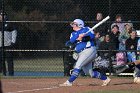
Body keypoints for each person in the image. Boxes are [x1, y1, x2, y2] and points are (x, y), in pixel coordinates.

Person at [59, 19, 111, 87]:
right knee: (90, 73)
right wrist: (79, 37)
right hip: (81, 53)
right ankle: (106, 79)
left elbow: (92, 37)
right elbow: (71, 41)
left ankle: (69, 82)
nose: (73, 25)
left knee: (78, 65)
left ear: (79, 25)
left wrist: (84, 38)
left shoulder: (87, 29)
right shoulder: (73, 34)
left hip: (89, 50)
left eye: (74, 24)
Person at [0, 11, 17, 76]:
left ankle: (11, 74)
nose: (2, 16)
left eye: (3, 15)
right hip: (0, 45)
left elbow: (14, 32)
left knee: (9, 60)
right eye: (1, 15)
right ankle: (3, 73)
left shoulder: (9, 24)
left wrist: (13, 42)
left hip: (8, 45)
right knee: (1, 60)